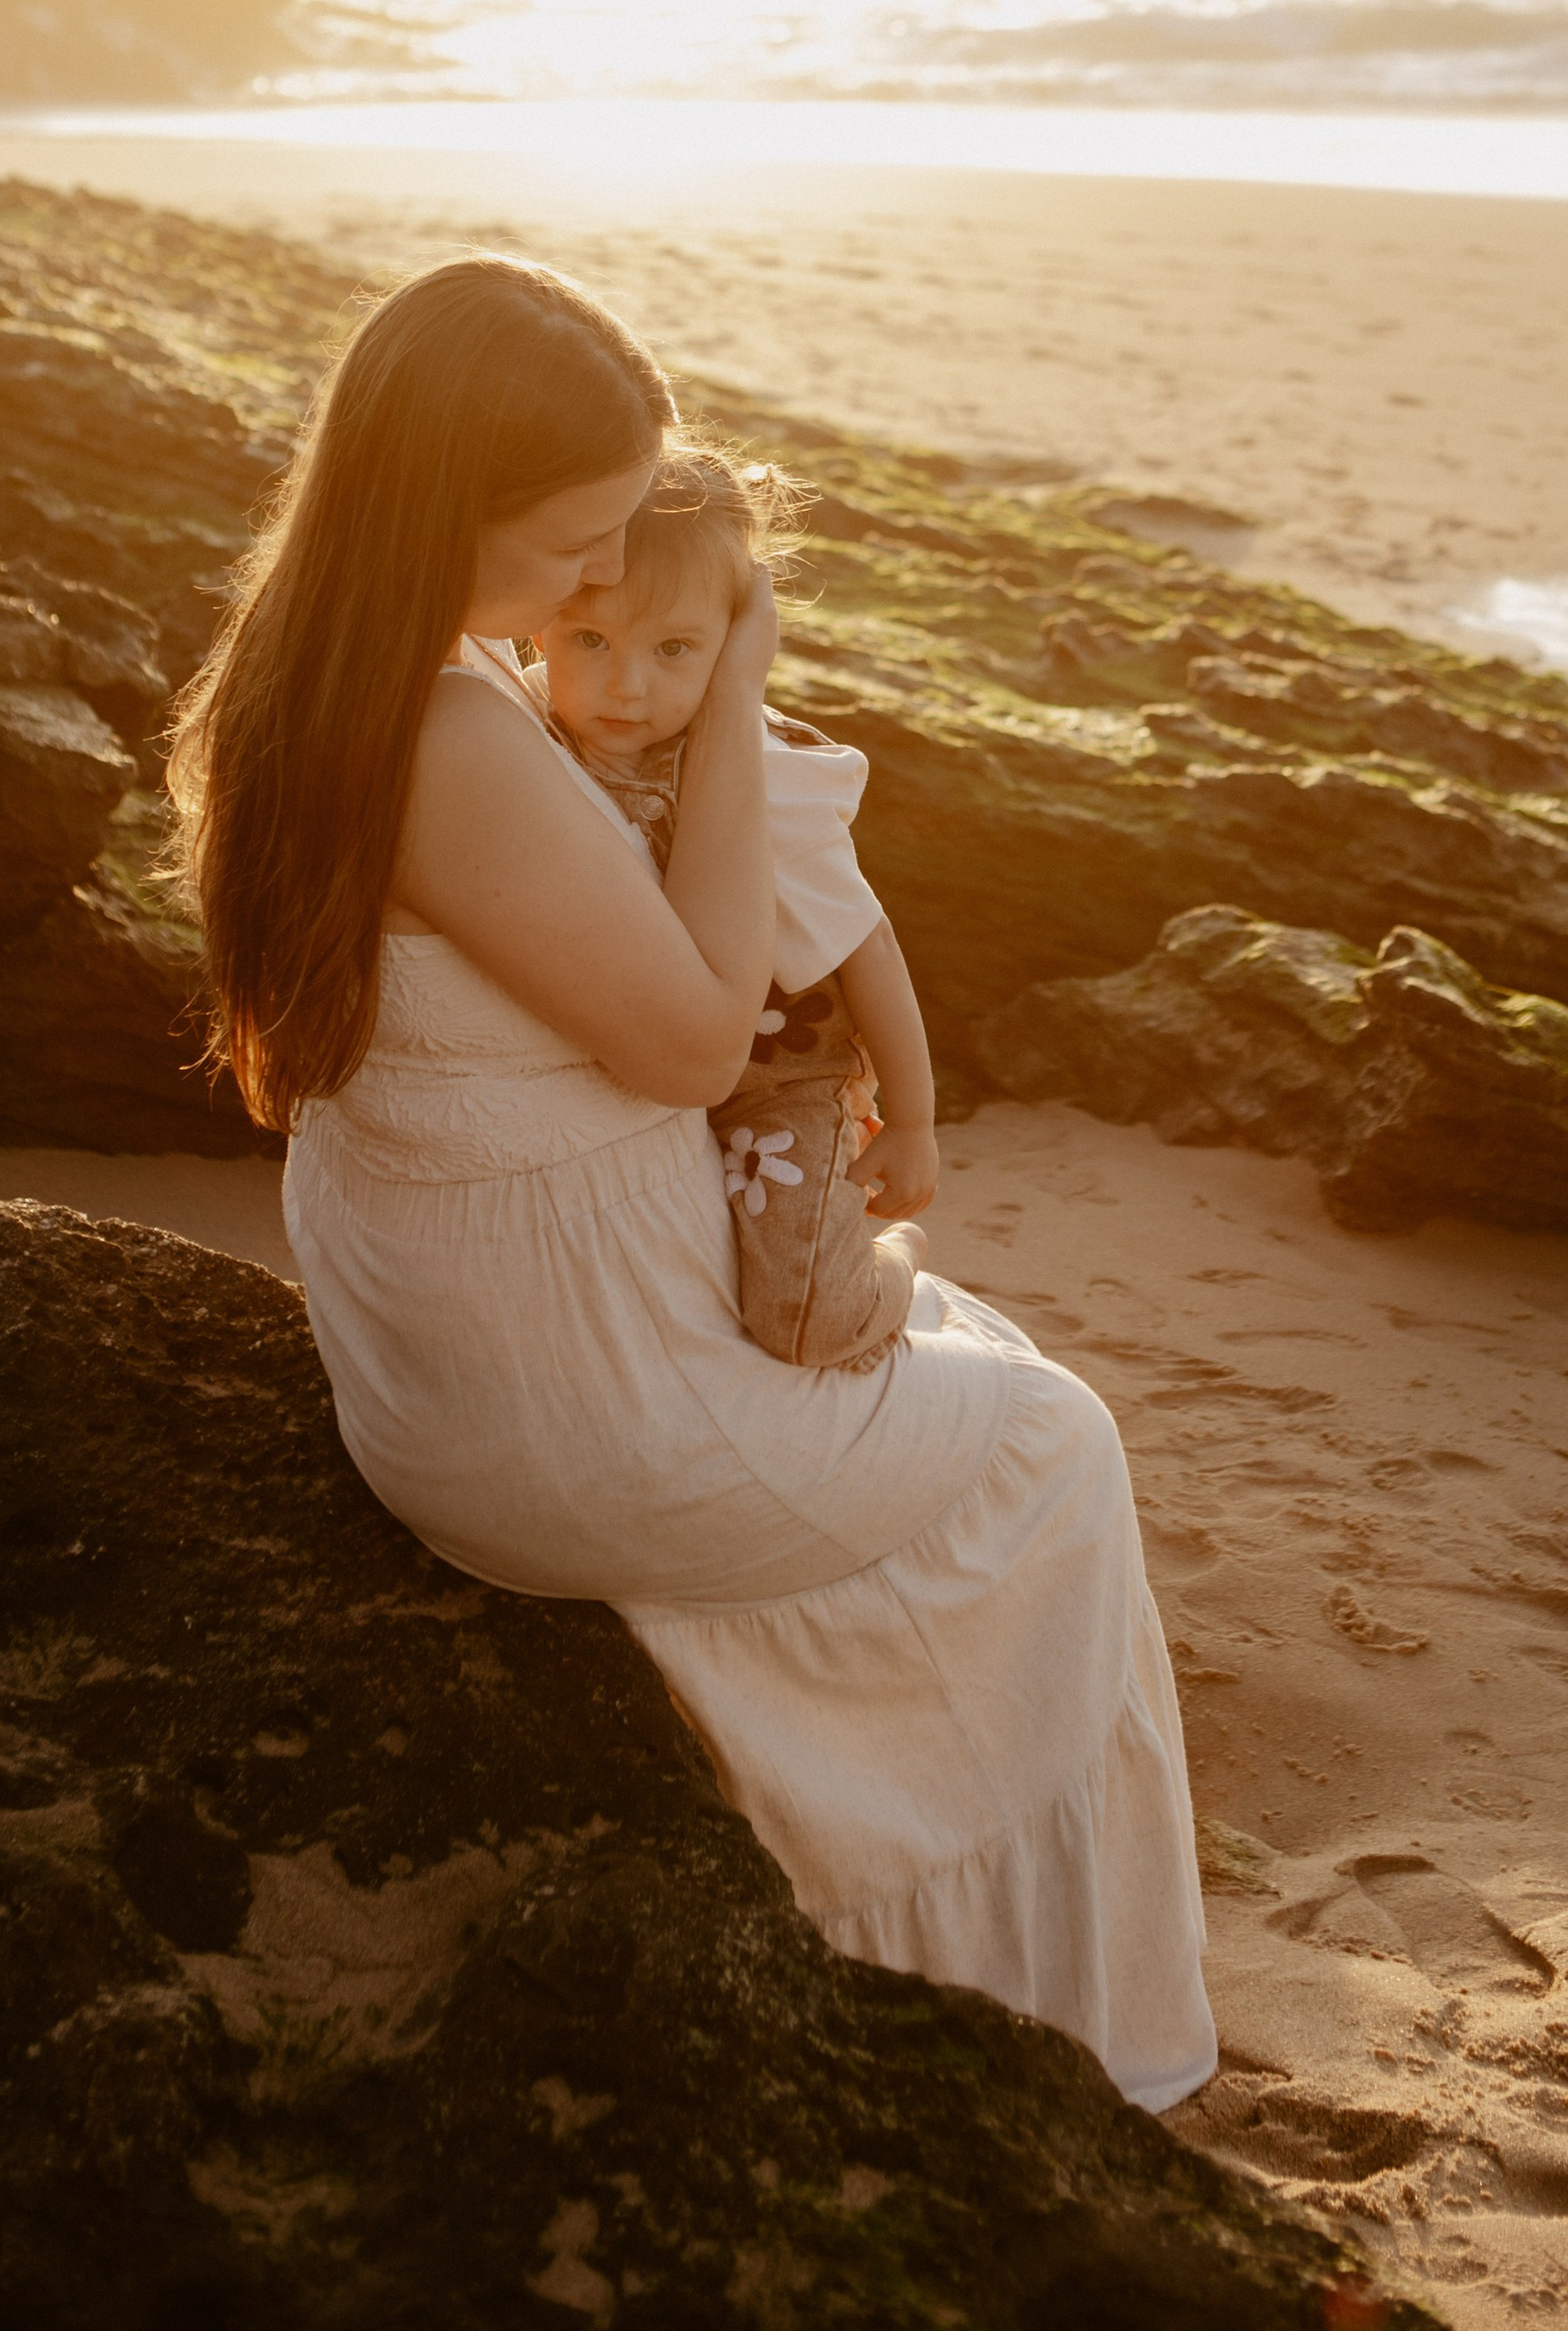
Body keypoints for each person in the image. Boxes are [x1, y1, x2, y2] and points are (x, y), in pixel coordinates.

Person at [169, 251, 1214, 2113]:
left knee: (958, 1343)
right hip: (569, 1407)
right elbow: (694, 1039)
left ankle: (862, 1866)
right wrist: (731, 687)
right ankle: (1047, 2026)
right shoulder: (455, 738)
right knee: (1056, 1446)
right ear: (443, 509)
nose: (598, 578)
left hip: (464, 1350)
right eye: (573, 537)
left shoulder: (309, 670)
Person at [529, 439, 930, 1371]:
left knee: (802, 1325)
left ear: (735, 641)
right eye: (592, 640)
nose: (627, 686)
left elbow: (867, 938)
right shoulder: (519, 726)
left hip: (782, 1080)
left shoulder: (767, 773)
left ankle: (898, 1268)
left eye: (675, 649)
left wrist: (912, 1119)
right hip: (647, 1061)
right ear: (541, 626)